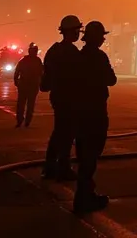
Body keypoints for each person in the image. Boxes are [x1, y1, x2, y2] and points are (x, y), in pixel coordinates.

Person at [74, 20, 117, 214]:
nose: (102, 40)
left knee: (84, 154)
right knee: (91, 155)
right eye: (101, 37)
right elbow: (111, 80)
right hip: (95, 111)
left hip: (79, 110)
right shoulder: (99, 57)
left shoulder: (78, 57)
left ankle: (84, 195)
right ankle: (84, 199)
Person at [41, 15, 83, 181]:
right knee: (66, 133)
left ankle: (50, 166)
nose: (78, 34)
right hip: (68, 97)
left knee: (59, 132)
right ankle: (62, 168)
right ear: (71, 32)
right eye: (77, 31)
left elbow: (47, 78)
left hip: (58, 96)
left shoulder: (54, 50)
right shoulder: (71, 52)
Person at [13, 42, 43, 128]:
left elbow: (17, 72)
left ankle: (22, 121)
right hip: (28, 85)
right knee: (28, 104)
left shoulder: (27, 60)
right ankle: (25, 121)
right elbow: (42, 73)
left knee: (23, 104)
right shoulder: (35, 61)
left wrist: (16, 81)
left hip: (27, 85)